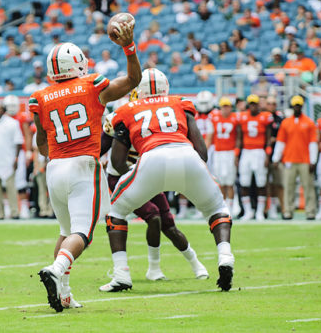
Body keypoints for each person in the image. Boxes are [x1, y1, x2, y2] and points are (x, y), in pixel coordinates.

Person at [30, 20, 141, 312]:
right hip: (83, 165)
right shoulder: (92, 85)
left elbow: (41, 143)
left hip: (55, 167)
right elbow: (132, 81)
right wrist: (129, 48)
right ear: (77, 64)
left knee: (66, 231)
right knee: (83, 232)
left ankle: (64, 293)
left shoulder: (39, 98)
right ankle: (56, 270)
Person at [101, 69, 234, 294]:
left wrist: (143, 184)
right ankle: (225, 256)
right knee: (217, 209)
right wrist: (188, 180)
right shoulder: (180, 103)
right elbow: (202, 151)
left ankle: (122, 274)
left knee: (116, 212)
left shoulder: (125, 110)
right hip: (186, 154)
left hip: (151, 158)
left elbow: (116, 159)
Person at [101, 97, 209, 285]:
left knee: (168, 224)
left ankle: (196, 263)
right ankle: (153, 268)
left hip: (145, 175)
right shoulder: (119, 121)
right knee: (153, 216)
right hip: (124, 176)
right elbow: (106, 154)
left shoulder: (155, 122)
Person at [272, 96, 318, 219]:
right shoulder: (286, 122)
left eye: (299, 105)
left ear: (302, 106)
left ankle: (310, 211)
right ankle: (288, 210)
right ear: (292, 106)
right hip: (289, 160)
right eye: (295, 105)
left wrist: (313, 160)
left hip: (305, 160)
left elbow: (313, 143)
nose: (297, 107)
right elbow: (281, 141)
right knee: (288, 187)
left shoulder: (309, 122)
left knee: (308, 187)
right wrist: (276, 158)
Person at [236, 94, 273, 220]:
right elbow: (239, 138)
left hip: (259, 152)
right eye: (251, 104)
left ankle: (260, 212)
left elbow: (268, 138)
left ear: (258, 104)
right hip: (246, 152)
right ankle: (248, 211)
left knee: (261, 183)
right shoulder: (242, 117)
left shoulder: (265, 117)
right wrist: (237, 155)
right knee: (244, 183)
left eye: (254, 104)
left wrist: (268, 154)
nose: (252, 106)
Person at [3, 95, 33, 218]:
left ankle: (24, 207)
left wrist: (28, 151)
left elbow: (27, 135)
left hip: (19, 152)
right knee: (5, 180)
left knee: (20, 181)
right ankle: (7, 207)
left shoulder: (22, 117)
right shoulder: (2, 119)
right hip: (5, 152)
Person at [208, 97, 239, 214]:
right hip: (218, 152)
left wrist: (236, 152)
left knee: (229, 182)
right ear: (220, 108)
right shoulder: (214, 118)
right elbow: (210, 137)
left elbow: (238, 137)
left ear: (231, 107)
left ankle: (230, 208)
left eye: (227, 106)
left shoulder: (235, 118)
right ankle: (223, 207)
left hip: (230, 152)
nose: (226, 109)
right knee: (220, 182)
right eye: (223, 106)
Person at [266, 96, 284, 219]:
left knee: (279, 184)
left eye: (273, 103)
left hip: (278, 156)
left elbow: (284, 138)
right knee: (266, 185)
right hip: (265, 156)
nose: (271, 106)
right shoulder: (263, 118)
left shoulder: (280, 119)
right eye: (269, 103)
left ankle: (283, 208)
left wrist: (275, 139)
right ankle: (269, 207)